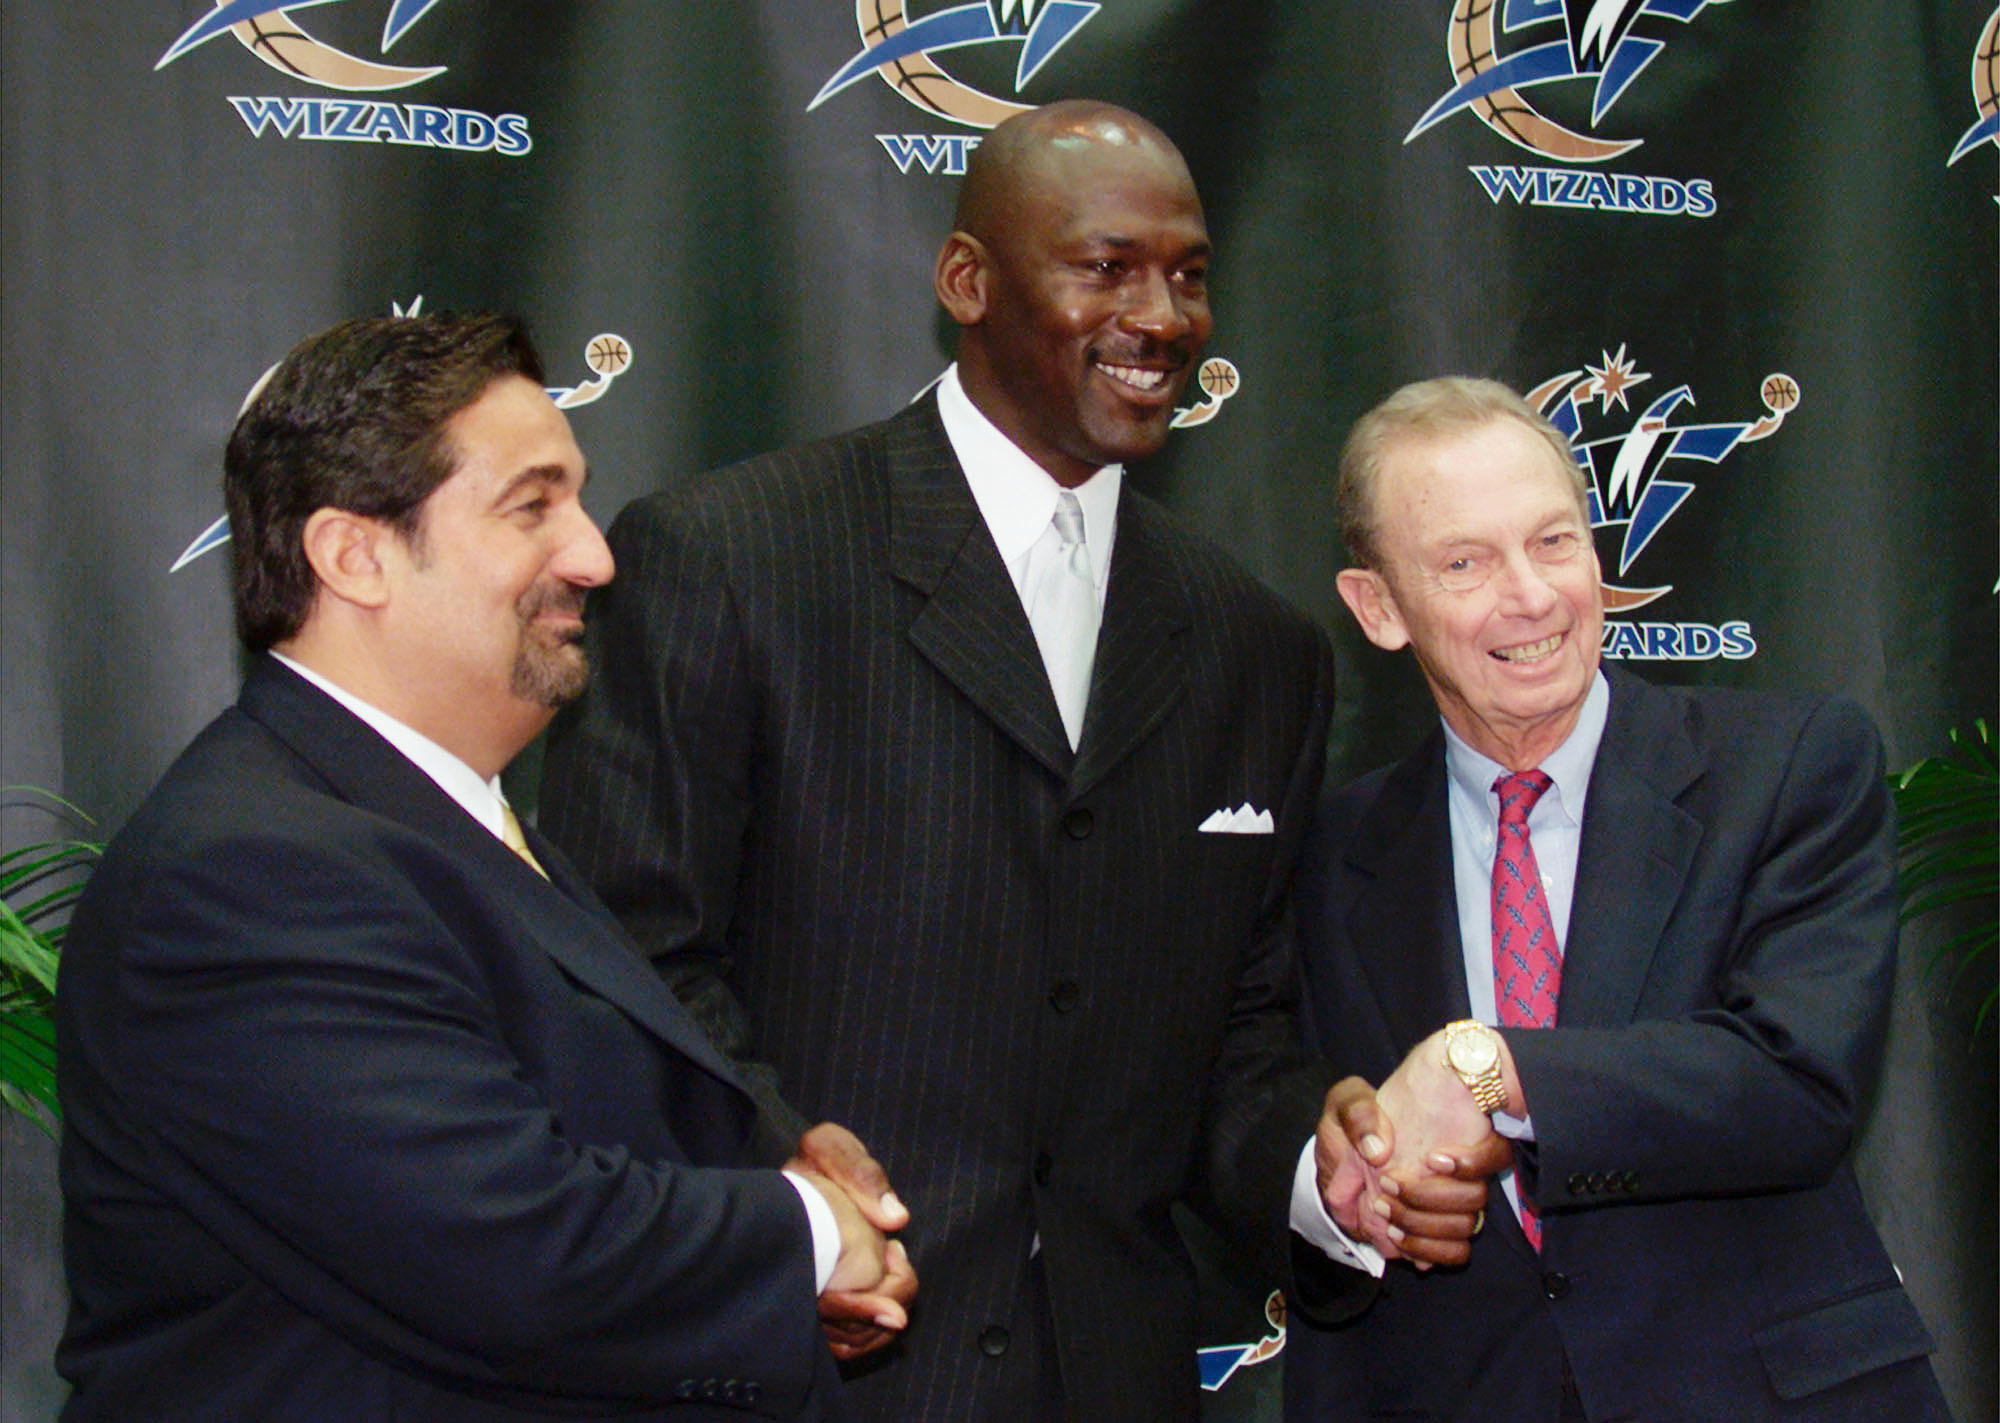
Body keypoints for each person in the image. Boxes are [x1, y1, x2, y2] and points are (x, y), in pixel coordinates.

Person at [538, 102, 1455, 1420]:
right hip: (806, 1365)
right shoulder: (735, 560)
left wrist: (1323, 1171)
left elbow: (1240, 1040)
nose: (1164, 314)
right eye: (1108, 266)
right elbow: (624, 963)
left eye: (1190, 274)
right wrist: (783, 1169)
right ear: (968, 281)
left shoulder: (1257, 648)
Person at [54, 312, 917, 1420]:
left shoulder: (437, 821)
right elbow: (505, 1244)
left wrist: (776, 1150)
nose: (595, 555)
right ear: (353, 554)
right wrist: (803, 1233)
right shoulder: (246, 871)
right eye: (531, 506)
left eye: (577, 498)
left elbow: (583, 1106)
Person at [1284, 376, 1947, 1420]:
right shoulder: (1330, 854)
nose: (1531, 595)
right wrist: (1343, 1186)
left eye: (1553, 542)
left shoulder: (1786, 765)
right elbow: (1295, 1140)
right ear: (1376, 608)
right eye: (1464, 562)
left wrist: (1495, 1069)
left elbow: (1796, 1081)